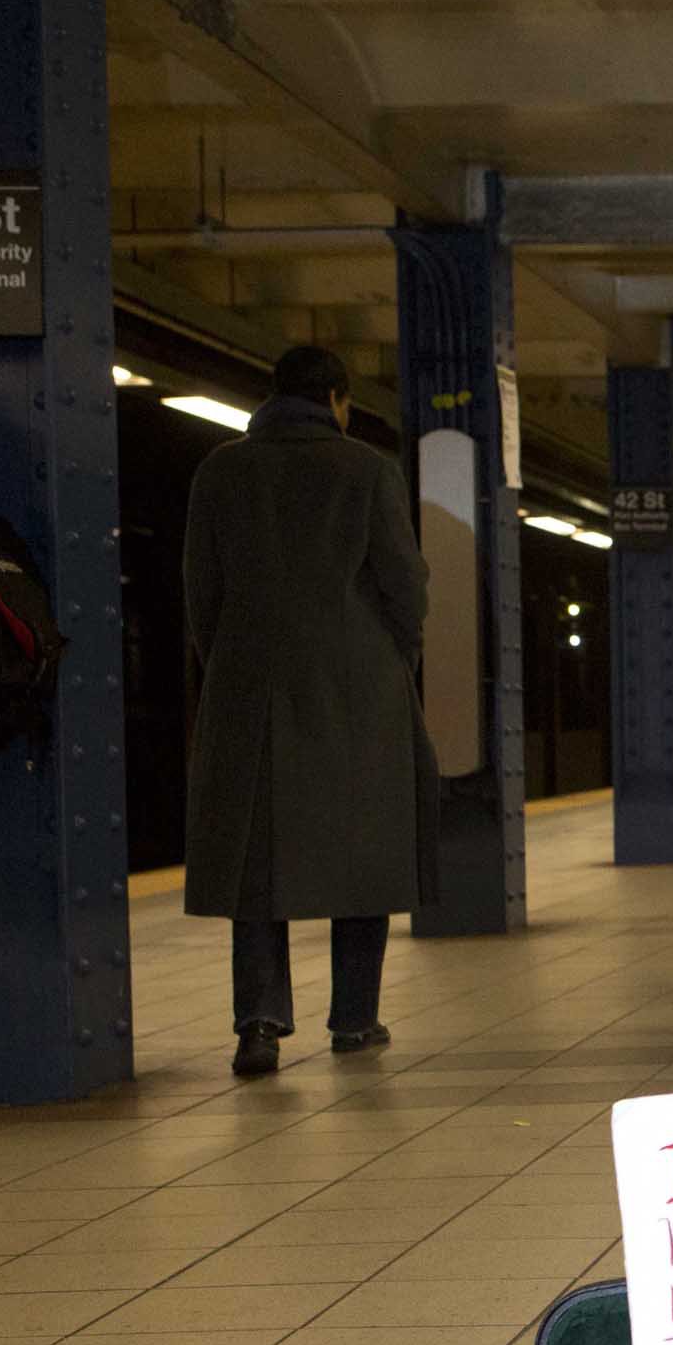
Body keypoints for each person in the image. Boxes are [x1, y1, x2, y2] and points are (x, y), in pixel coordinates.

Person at [182, 344, 432, 1078]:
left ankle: (258, 1025)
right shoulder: (366, 470)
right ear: (335, 399)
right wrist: (393, 662)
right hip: (357, 687)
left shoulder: (220, 471)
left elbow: (203, 592)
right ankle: (354, 1020)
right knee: (365, 851)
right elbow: (404, 587)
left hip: (249, 685)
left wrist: (230, 665)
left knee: (256, 863)